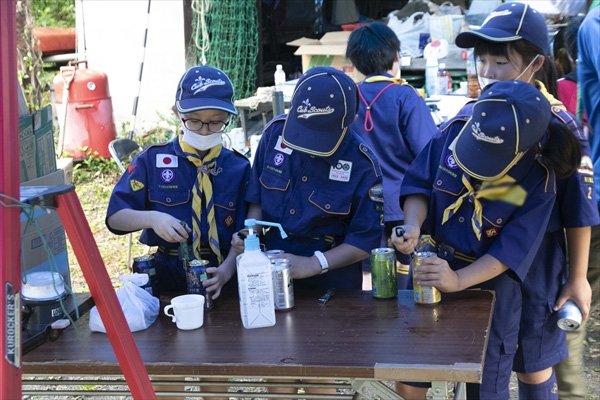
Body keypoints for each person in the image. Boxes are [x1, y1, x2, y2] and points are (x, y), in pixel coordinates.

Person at [392, 80, 584, 400]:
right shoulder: (453, 132)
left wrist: (458, 279)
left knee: (484, 385)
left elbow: (512, 248)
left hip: (490, 289)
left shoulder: (538, 177)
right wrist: (412, 225)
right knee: (412, 374)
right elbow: (421, 184)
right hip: (432, 271)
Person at [450, 2, 598, 398]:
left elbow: (577, 211)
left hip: (538, 265)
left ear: (535, 63)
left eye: (500, 61)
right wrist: (509, 197)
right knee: (483, 359)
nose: (488, 73)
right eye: (482, 60)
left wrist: (578, 278)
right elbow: (473, 184)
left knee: (534, 365)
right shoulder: (475, 114)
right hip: (483, 259)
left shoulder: (559, 125)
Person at [234, 66, 384, 398]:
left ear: (348, 124)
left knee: (320, 377)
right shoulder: (275, 133)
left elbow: (365, 239)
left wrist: (315, 264)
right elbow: (257, 198)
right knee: (278, 371)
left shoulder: (362, 165)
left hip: (329, 282)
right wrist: (249, 237)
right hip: (268, 271)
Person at [106, 65, 250, 299]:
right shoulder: (151, 160)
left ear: (228, 119)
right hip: (167, 273)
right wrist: (152, 218)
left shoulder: (239, 168)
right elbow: (115, 217)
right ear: (176, 113)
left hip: (223, 274)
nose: (204, 131)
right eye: (193, 121)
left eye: (215, 122)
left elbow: (245, 233)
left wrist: (226, 272)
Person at [345, 21, 438, 290]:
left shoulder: (349, 96)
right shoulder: (406, 96)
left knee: (367, 272)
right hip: (404, 205)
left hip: (360, 203)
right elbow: (428, 152)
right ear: (396, 57)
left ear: (354, 62)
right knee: (406, 271)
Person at [554, 2, 600, 398]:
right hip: (586, 198)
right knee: (574, 298)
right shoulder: (594, 25)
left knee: (574, 299)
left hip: (585, 198)